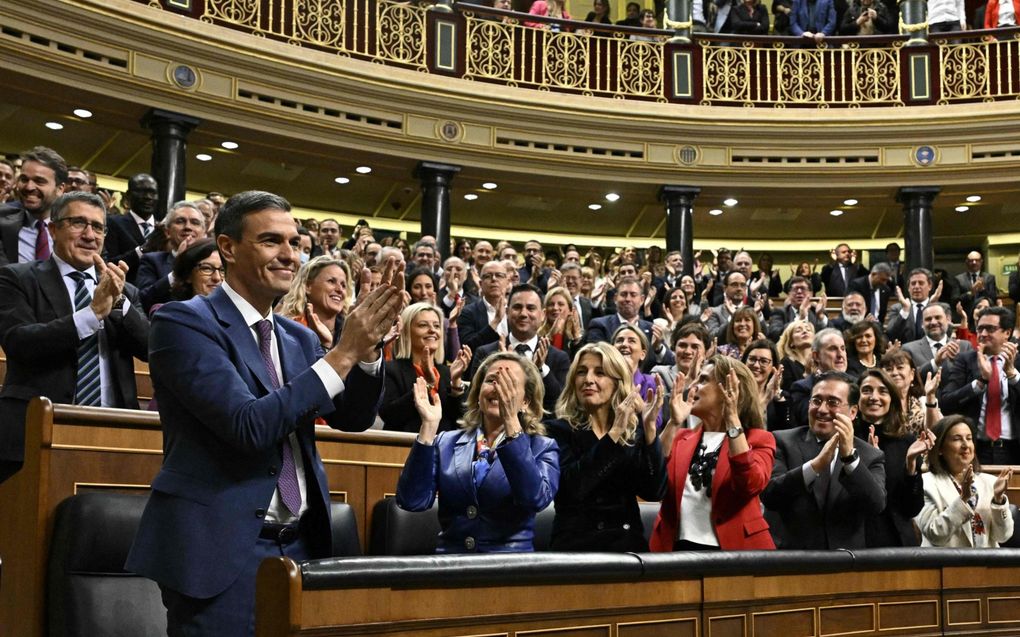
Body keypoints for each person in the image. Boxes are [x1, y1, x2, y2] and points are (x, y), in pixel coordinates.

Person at [126, 191, 403, 636]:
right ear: (229, 247)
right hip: (219, 554)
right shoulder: (183, 323)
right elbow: (248, 425)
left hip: (301, 548)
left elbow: (350, 418)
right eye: (272, 241)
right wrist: (344, 350)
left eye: (295, 243)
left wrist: (367, 351)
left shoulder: (298, 338)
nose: (289, 255)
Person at [0, 192, 149, 484]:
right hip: (33, 431)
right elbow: (19, 343)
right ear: (53, 229)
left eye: (98, 227)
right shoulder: (17, 278)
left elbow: (151, 349)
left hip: (113, 433)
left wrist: (118, 303)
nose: (89, 235)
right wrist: (91, 315)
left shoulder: (125, 290)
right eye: (78, 223)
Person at [397, 352, 558, 552]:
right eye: (491, 380)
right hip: (450, 567)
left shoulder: (542, 447)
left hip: (509, 570)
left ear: (526, 401)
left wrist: (511, 425)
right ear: (478, 393)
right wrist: (429, 427)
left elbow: (534, 499)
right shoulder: (445, 442)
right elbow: (412, 501)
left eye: (509, 383)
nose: (498, 388)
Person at [547, 342, 667, 551]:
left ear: (617, 383)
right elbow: (572, 488)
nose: (588, 380)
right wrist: (613, 435)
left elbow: (654, 492)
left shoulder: (633, 433)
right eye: (581, 372)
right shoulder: (558, 430)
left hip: (627, 548)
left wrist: (649, 431)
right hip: (575, 549)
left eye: (600, 373)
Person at [651, 356, 776, 550]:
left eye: (703, 380)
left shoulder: (758, 439)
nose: (693, 385)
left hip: (735, 551)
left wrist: (733, 418)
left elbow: (749, 484)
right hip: (676, 549)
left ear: (728, 389)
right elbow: (652, 479)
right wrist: (673, 423)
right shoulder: (680, 437)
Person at [762, 371, 887, 549]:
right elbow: (770, 496)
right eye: (816, 401)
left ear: (852, 412)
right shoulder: (782, 441)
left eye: (832, 402)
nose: (821, 409)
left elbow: (876, 505)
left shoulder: (870, 455)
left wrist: (849, 459)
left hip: (844, 565)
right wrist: (815, 466)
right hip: (788, 564)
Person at [855, 369, 931, 547]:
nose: (874, 397)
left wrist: (911, 465)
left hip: (896, 541)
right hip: (856, 540)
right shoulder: (844, 439)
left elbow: (912, 508)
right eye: (866, 390)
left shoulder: (906, 441)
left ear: (892, 400)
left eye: (883, 391)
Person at [469, 283, 571, 413]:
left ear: (543, 315)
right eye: (517, 307)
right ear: (507, 312)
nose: (523, 314)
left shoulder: (559, 357)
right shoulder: (486, 353)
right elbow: (473, 401)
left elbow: (560, 403)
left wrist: (541, 369)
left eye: (531, 308)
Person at [915, 415, 1013, 548]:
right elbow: (935, 535)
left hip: (985, 565)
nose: (966, 445)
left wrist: (998, 500)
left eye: (969, 438)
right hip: (945, 565)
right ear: (940, 449)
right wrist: (963, 500)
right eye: (957, 439)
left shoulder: (990, 483)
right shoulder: (925, 484)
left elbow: (1003, 536)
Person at [941, 306, 1020, 465]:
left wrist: (1012, 375)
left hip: (1014, 448)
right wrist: (980, 382)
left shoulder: (1018, 361)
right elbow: (946, 403)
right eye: (980, 328)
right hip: (975, 448)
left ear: (1007, 333)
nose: (983, 334)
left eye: (990, 329)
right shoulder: (964, 360)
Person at [381, 302, 471, 433]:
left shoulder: (447, 373)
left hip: (443, 450)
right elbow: (390, 416)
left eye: (436, 326)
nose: (432, 330)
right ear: (407, 332)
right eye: (423, 325)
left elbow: (462, 420)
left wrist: (456, 383)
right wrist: (427, 385)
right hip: (404, 448)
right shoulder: (390, 370)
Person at [0, 146, 66, 266]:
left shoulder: (73, 230)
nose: (29, 187)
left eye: (39, 181)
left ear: (60, 189)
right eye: (24, 179)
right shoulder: (2, 220)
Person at [136, 201, 207, 313]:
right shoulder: (152, 260)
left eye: (195, 222)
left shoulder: (217, 262)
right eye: (180, 221)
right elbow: (142, 300)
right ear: (167, 232)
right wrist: (178, 269)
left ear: (203, 232)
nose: (188, 227)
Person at [277, 256, 352, 350]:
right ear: (308, 286)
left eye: (343, 285)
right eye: (331, 281)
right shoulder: (286, 330)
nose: (339, 290)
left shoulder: (350, 333)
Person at [103, 173, 159, 284]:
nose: (148, 197)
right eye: (141, 191)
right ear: (128, 195)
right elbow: (109, 264)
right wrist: (141, 250)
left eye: (152, 193)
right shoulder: (113, 223)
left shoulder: (164, 229)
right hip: (124, 291)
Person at [902, 302, 973, 382]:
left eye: (938, 317)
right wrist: (934, 363)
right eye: (928, 319)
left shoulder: (964, 346)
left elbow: (972, 377)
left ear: (948, 319)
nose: (933, 322)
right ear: (922, 324)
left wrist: (959, 361)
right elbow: (908, 378)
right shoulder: (909, 349)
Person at [742, 339, 789, 431]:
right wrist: (765, 400)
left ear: (774, 367)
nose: (756, 365)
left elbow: (786, 430)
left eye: (763, 361)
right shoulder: (735, 394)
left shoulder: (781, 398)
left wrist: (777, 396)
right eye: (752, 359)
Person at [538, 285, 583, 359]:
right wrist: (551, 335)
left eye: (561, 304)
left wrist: (576, 339)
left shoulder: (577, 337)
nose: (555, 308)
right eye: (551, 304)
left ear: (570, 311)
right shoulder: (538, 335)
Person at [953, 251, 998, 318]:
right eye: (971, 260)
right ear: (966, 262)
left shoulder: (989, 278)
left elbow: (993, 298)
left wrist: (983, 289)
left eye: (977, 260)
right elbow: (954, 300)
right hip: (966, 315)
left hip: (986, 314)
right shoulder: (958, 279)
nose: (974, 262)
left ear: (981, 262)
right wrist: (971, 293)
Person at [776, 319, 814, 392]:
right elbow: (791, 393)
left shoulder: (819, 361)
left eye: (808, 330)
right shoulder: (786, 363)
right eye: (798, 331)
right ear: (791, 342)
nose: (805, 331)